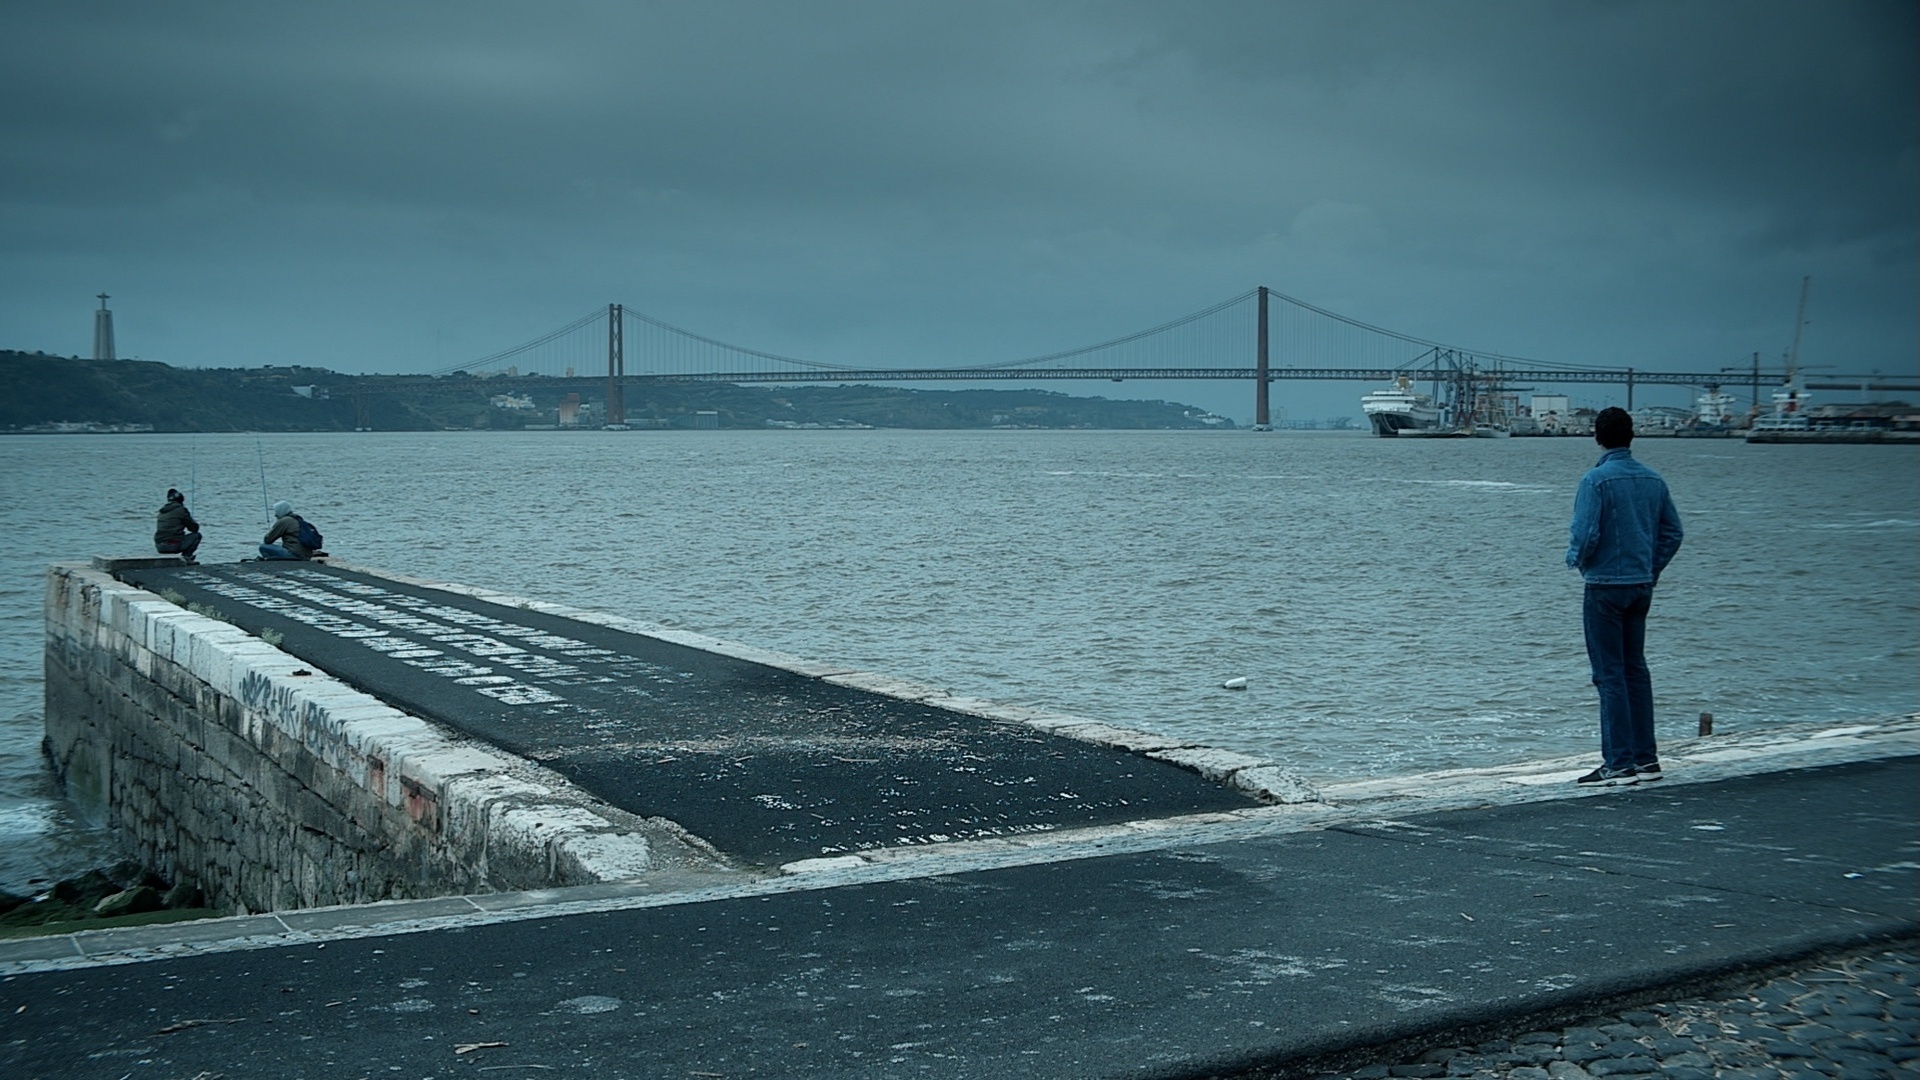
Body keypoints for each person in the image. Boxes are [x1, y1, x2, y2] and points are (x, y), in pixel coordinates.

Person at [1566, 407, 1683, 787]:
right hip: (1640, 585)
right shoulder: (1653, 479)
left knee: (1609, 675)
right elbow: (1673, 533)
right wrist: (1651, 569)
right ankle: (1646, 760)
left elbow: (1585, 535)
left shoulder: (1595, 481)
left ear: (1598, 437)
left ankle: (1618, 764)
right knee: (1636, 671)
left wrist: (1578, 562)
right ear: (1632, 435)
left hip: (1604, 586)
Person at [153, 488, 201, 563]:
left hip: (159, 546)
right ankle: (187, 558)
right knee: (196, 535)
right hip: (173, 545)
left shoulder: (162, 511)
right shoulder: (181, 510)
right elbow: (194, 529)